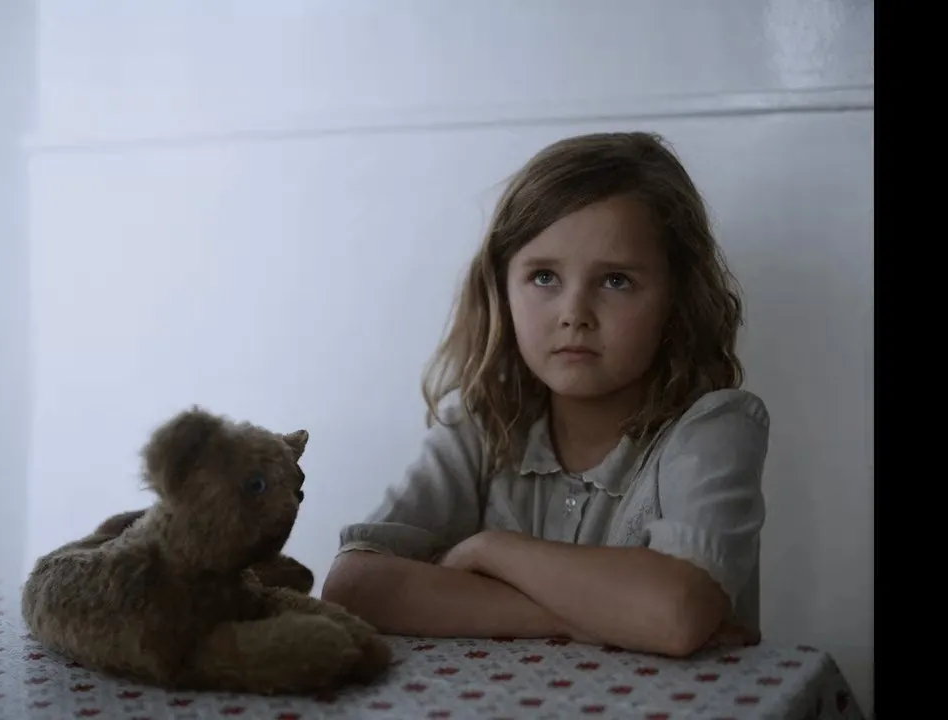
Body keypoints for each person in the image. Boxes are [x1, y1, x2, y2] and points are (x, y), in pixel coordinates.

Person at [319, 131, 770, 657]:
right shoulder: (481, 425)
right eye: (544, 277)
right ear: (502, 289)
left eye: (616, 281)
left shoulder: (715, 428)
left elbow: (674, 615)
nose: (574, 313)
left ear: (677, 299)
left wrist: (492, 550)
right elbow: (354, 586)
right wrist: (599, 618)